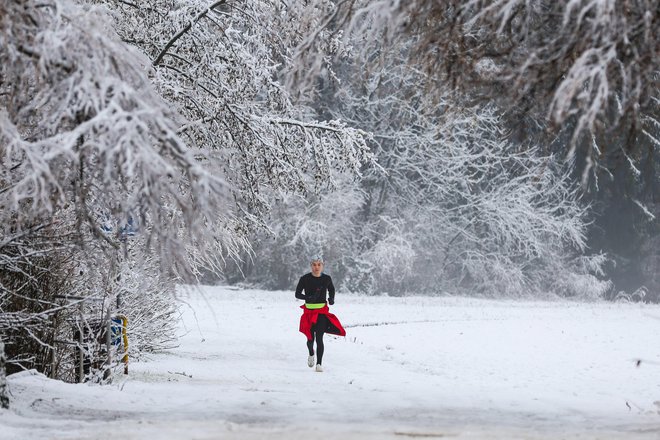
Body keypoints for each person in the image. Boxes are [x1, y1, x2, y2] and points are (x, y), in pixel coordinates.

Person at [295, 256, 346, 372]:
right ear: (311, 266)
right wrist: (308, 297)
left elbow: (331, 289)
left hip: (322, 313)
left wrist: (331, 299)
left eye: (319, 264)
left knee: (319, 339)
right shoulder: (305, 279)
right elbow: (297, 294)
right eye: (314, 264)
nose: (316, 267)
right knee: (310, 339)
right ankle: (311, 353)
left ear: (322, 266)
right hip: (308, 313)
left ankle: (319, 364)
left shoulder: (327, 279)